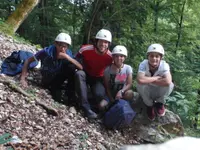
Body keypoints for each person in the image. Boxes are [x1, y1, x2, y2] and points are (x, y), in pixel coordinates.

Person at [20, 33, 83, 102]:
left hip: (58, 78)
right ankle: (55, 90)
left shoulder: (68, 53)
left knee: (71, 67)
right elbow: (28, 61)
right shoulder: (46, 52)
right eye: (60, 46)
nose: (62, 49)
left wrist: (67, 57)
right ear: (55, 44)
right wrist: (23, 78)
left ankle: (70, 94)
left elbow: (80, 67)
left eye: (65, 47)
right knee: (57, 97)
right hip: (48, 78)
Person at [75, 29, 113, 119]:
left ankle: (95, 108)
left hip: (97, 78)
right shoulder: (85, 49)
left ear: (108, 44)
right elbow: (75, 60)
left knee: (100, 95)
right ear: (96, 41)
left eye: (106, 42)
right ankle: (85, 108)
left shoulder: (110, 57)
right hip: (84, 73)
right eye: (101, 41)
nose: (103, 44)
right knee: (79, 74)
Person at [136, 43, 174, 121]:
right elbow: (140, 79)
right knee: (140, 84)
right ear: (148, 56)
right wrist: (156, 78)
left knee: (170, 85)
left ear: (161, 58)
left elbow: (168, 81)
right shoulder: (143, 64)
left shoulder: (164, 65)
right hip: (147, 91)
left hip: (158, 90)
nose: (154, 58)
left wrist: (147, 80)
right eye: (152, 56)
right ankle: (149, 106)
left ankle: (159, 103)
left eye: (157, 56)